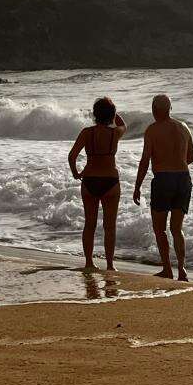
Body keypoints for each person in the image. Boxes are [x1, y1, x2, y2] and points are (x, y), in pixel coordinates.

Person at [133, 94, 193, 281]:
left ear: (154, 110)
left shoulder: (152, 130)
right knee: (177, 228)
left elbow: (145, 161)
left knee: (160, 229)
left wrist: (137, 187)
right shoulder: (184, 128)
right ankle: (182, 270)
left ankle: (167, 268)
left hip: (163, 180)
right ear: (170, 108)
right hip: (183, 179)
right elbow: (190, 158)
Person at [68, 97, 127, 271]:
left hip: (90, 180)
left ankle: (89, 263)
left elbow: (72, 156)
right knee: (110, 226)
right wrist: (115, 114)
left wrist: (76, 173)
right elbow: (124, 125)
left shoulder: (87, 133)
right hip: (110, 181)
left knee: (90, 224)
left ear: (94, 114)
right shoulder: (115, 133)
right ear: (112, 114)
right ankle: (110, 265)